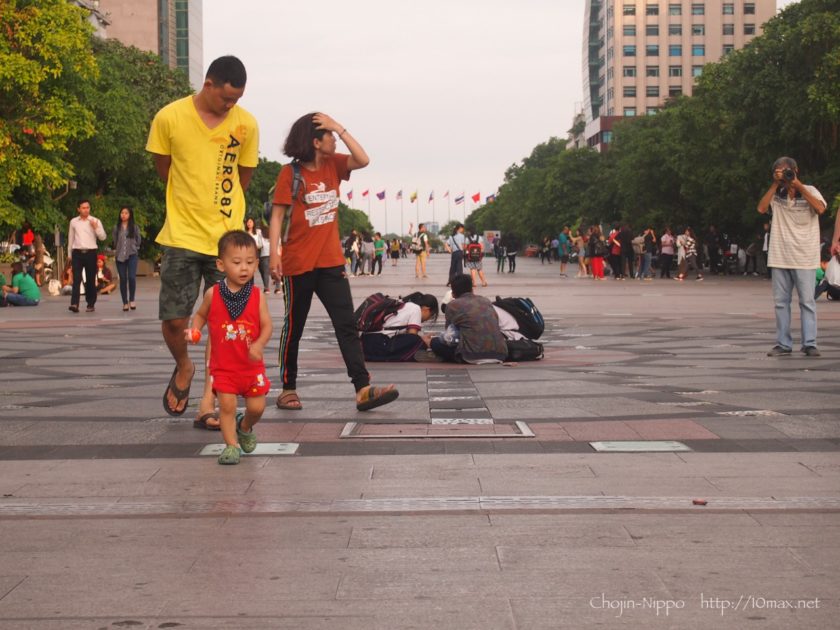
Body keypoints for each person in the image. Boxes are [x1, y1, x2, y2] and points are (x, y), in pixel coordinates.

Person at [146, 55, 259, 425]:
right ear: (207, 85)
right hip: (180, 235)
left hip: (226, 242)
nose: (231, 106)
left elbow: (244, 175)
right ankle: (184, 366)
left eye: (236, 100)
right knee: (175, 321)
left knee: (226, 325)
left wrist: (224, 214)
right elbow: (165, 171)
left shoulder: (246, 124)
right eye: (226, 99)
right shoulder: (169, 118)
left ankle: (209, 402)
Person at [268, 111, 398, 412]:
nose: (334, 139)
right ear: (315, 142)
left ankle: (362, 388)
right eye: (329, 135)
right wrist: (274, 253)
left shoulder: (333, 164)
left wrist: (339, 126)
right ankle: (288, 388)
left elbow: (363, 159)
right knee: (294, 327)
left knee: (347, 325)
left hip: (331, 262)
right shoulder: (291, 173)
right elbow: (277, 215)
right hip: (297, 262)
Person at [185, 230, 271, 465]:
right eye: (237, 262)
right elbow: (200, 316)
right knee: (226, 406)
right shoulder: (213, 294)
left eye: (250, 262)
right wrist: (194, 331)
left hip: (252, 367)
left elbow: (267, 326)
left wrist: (260, 344)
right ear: (221, 265)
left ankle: (244, 426)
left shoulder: (256, 296)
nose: (244, 268)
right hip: (224, 367)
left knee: (257, 408)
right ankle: (231, 446)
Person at [758, 156, 826, 357]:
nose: (785, 175)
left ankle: (810, 343)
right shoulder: (776, 193)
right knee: (781, 302)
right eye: (780, 171)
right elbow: (761, 208)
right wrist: (774, 183)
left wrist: (798, 185)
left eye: (788, 171)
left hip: (805, 256)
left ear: (796, 170)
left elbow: (820, 208)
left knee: (807, 301)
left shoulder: (810, 190)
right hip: (780, 255)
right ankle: (783, 343)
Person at [428, 274, 507, 364]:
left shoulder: (452, 305)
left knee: (435, 342)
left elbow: (449, 334)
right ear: (472, 289)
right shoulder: (486, 301)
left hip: (471, 356)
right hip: (500, 354)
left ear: (453, 293)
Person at [361, 292, 440, 362]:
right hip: (378, 343)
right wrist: (425, 341)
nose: (427, 319)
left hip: (366, 343)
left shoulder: (404, 305)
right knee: (417, 340)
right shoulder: (416, 308)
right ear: (426, 309)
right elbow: (412, 336)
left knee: (415, 340)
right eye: (431, 315)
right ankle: (415, 355)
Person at [67, 199, 106, 313]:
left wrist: (96, 228)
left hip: (91, 252)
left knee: (90, 279)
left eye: (87, 207)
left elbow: (103, 237)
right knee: (77, 278)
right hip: (77, 252)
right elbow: (71, 238)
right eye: (83, 208)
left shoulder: (95, 220)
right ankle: (75, 303)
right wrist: (69, 254)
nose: (86, 210)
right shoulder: (74, 222)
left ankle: (90, 303)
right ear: (78, 209)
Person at [112, 206, 142, 311]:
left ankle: (132, 299)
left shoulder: (134, 227)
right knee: (123, 279)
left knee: (132, 277)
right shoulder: (116, 227)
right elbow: (115, 241)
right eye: (122, 213)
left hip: (132, 255)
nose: (123, 215)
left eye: (126, 213)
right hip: (120, 256)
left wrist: (135, 248)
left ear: (130, 215)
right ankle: (124, 302)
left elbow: (139, 240)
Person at [244, 217, 268, 292]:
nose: (249, 223)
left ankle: (266, 287)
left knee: (263, 270)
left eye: (250, 222)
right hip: (248, 254)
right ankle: (251, 286)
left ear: (253, 223)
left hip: (258, 252)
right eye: (248, 222)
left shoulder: (258, 232)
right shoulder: (244, 233)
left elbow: (261, 243)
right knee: (250, 270)